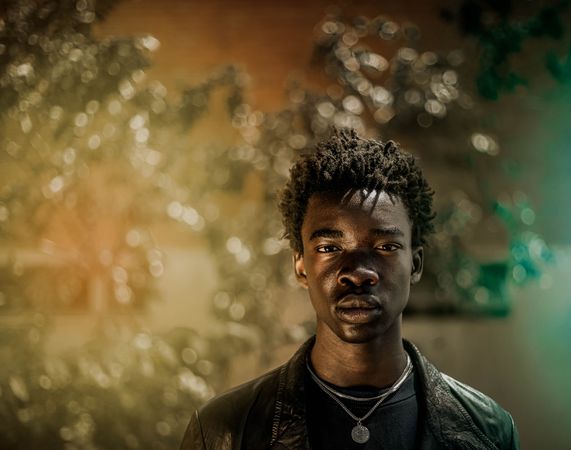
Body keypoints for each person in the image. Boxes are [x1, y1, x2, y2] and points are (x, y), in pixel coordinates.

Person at [180, 128, 520, 449]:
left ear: (415, 264)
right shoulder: (222, 431)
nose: (357, 273)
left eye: (385, 247)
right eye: (329, 248)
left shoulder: (488, 431)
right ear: (300, 265)